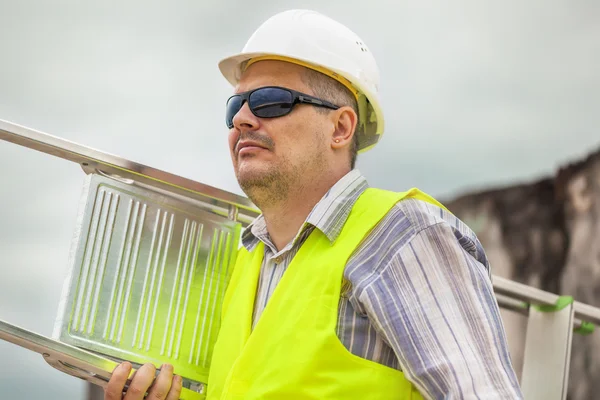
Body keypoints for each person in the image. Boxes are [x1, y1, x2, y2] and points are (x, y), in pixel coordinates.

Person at [105, 9, 523, 400]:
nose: (242, 119)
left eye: (271, 101)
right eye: (236, 106)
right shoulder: (240, 268)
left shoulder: (404, 236)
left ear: (340, 127)